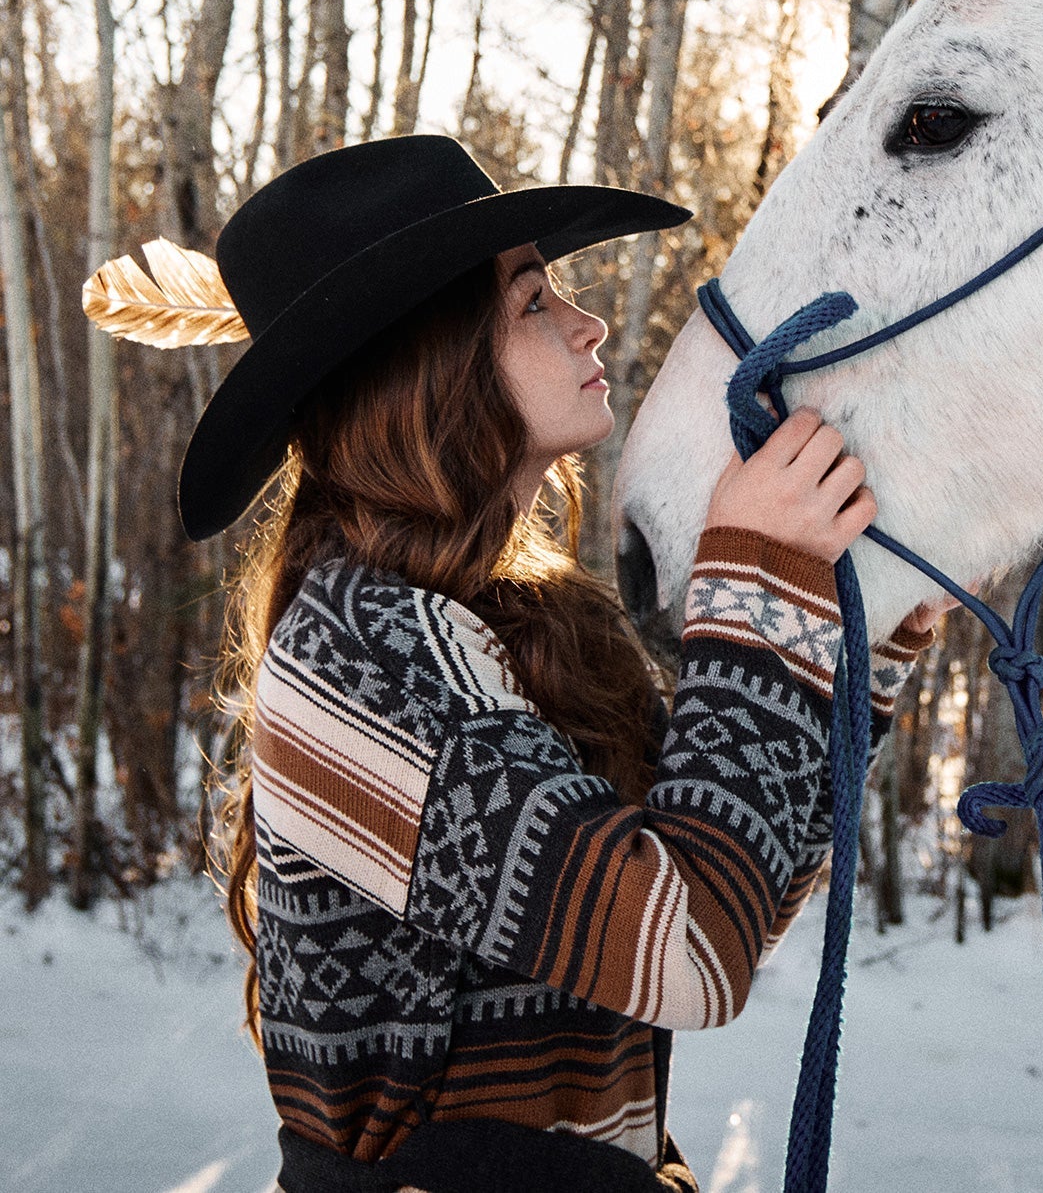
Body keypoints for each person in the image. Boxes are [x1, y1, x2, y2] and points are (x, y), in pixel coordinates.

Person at [91, 136, 948, 1193]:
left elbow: (736, 886)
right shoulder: (355, 654)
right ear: (430, 357)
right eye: (535, 300)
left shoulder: (518, 626)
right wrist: (755, 572)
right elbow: (688, 948)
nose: (586, 323)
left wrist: (874, 620)